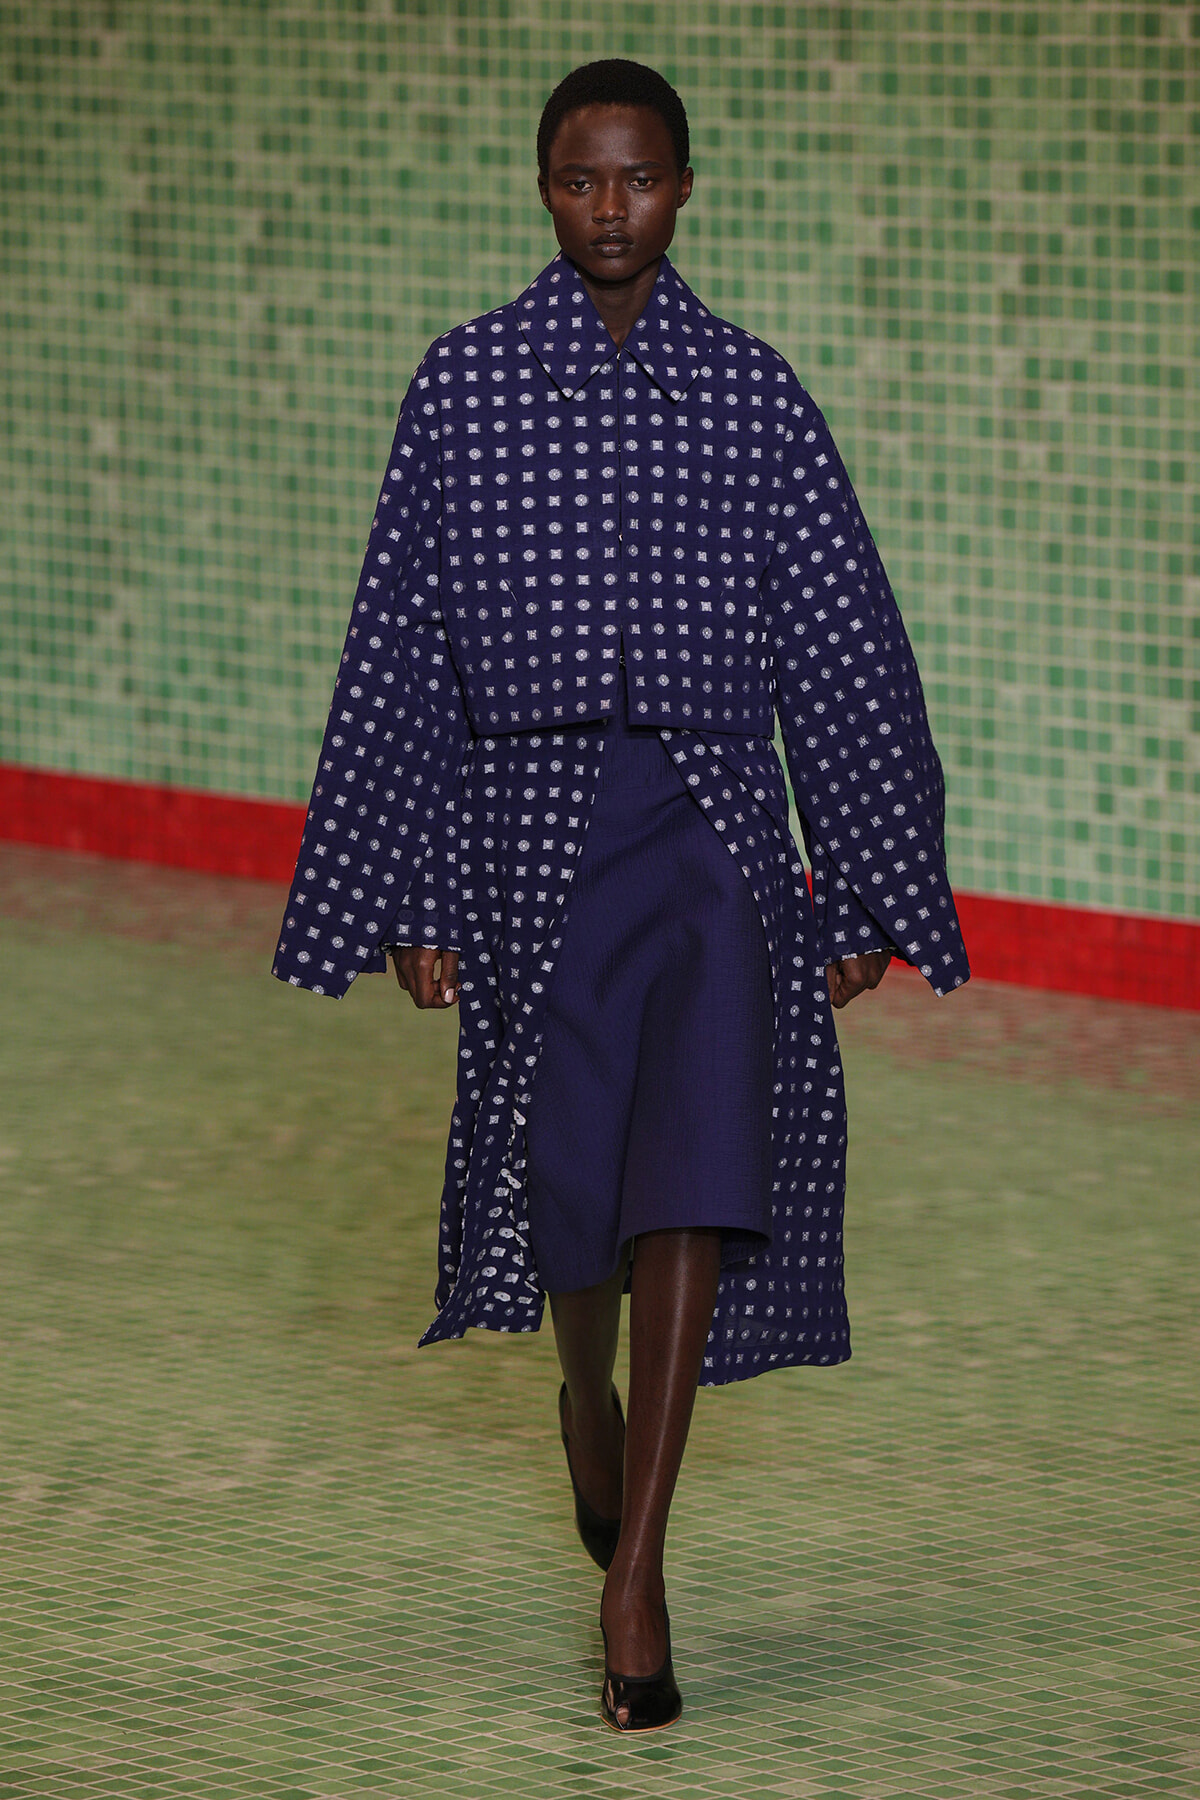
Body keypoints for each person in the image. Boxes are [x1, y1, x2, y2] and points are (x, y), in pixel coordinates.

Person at [273, 59, 969, 1732]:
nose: (612, 207)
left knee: (692, 1173)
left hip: (714, 835)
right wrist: (414, 887)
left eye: (641, 178)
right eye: (583, 179)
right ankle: (577, 1393)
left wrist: (867, 878)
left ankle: (640, 1564)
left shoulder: (752, 393)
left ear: (684, 188)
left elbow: (845, 639)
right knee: (566, 1169)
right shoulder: (465, 387)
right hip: (527, 834)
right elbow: (402, 645)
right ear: (542, 189)